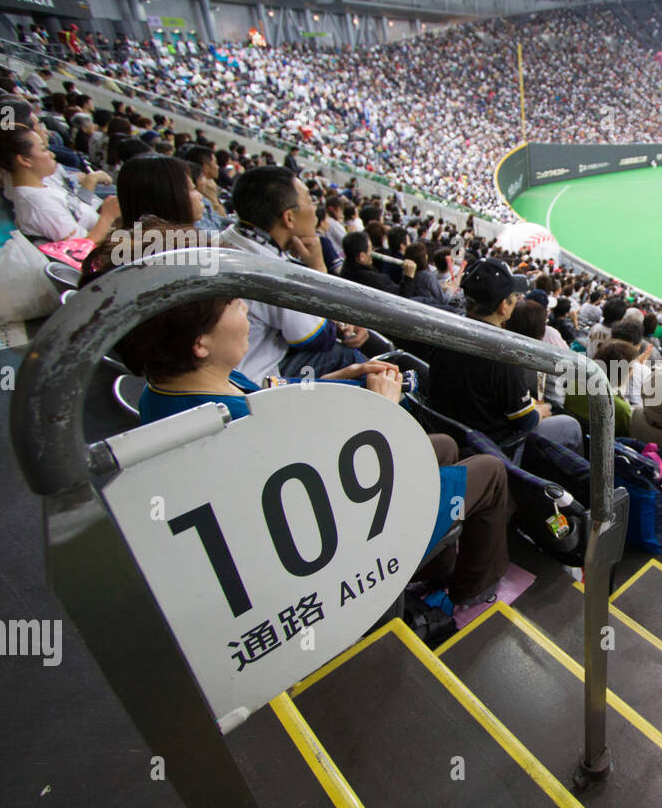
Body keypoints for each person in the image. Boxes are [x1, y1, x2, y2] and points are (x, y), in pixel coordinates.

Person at [93, 228, 510, 608]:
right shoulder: (233, 422)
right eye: (237, 303)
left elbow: (271, 403)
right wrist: (383, 412)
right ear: (200, 343)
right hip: (346, 535)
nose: (247, 314)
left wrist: (337, 378)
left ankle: (428, 570)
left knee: (444, 446)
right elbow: (331, 485)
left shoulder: (180, 386)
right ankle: (470, 596)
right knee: (489, 471)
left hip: (306, 510)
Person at [217, 166, 370, 381]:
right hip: (248, 383)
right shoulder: (271, 271)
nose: (315, 209)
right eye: (310, 201)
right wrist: (319, 269)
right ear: (289, 218)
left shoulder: (229, 238)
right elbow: (317, 338)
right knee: (355, 361)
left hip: (224, 373)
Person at [427, 257, 583, 455]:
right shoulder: (504, 355)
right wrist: (539, 412)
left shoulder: (443, 331)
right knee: (569, 425)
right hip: (490, 448)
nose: (517, 299)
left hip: (450, 434)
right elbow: (525, 421)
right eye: (514, 296)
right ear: (503, 306)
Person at [0, 125, 119, 244]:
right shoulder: (40, 204)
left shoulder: (40, 188)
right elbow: (78, 250)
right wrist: (107, 217)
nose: (52, 154)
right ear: (24, 160)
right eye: (44, 149)